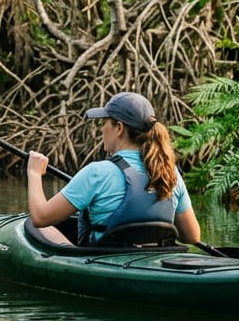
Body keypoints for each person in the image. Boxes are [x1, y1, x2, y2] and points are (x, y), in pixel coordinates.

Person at [26, 91, 201, 246]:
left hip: (104, 259)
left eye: (105, 122)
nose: (102, 128)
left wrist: (34, 173)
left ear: (119, 128)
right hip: (154, 259)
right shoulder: (170, 174)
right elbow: (192, 236)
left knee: (34, 227)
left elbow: (40, 218)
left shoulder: (97, 173)